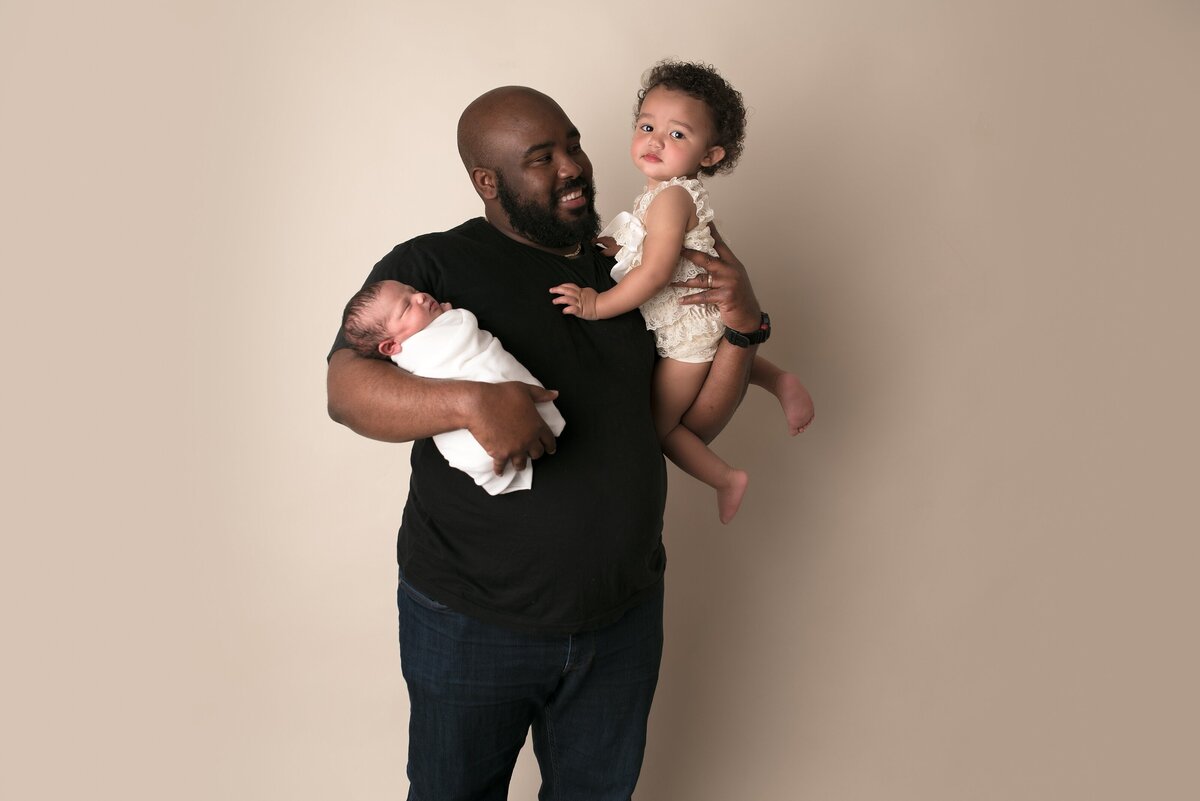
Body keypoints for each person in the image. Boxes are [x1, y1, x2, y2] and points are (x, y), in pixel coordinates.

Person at [326, 85, 765, 800]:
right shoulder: (431, 268)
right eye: (542, 158)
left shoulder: (628, 263)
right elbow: (345, 389)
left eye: (573, 144)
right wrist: (468, 399)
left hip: (619, 619)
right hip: (472, 622)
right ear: (488, 182)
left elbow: (693, 425)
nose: (572, 167)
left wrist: (744, 327)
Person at [551, 60, 814, 525]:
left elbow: (652, 275)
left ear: (709, 156)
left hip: (685, 338)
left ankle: (725, 478)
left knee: (657, 428)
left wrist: (596, 305)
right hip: (699, 322)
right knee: (713, 351)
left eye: (676, 135)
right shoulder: (661, 194)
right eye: (647, 125)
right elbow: (643, 243)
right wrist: (612, 246)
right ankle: (778, 380)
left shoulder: (673, 198)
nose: (654, 141)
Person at [340, 279, 566, 495]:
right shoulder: (418, 350)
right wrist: (453, 319)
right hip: (484, 444)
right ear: (391, 347)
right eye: (407, 306)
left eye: (412, 290)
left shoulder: (428, 324)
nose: (420, 296)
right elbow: (463, 334)